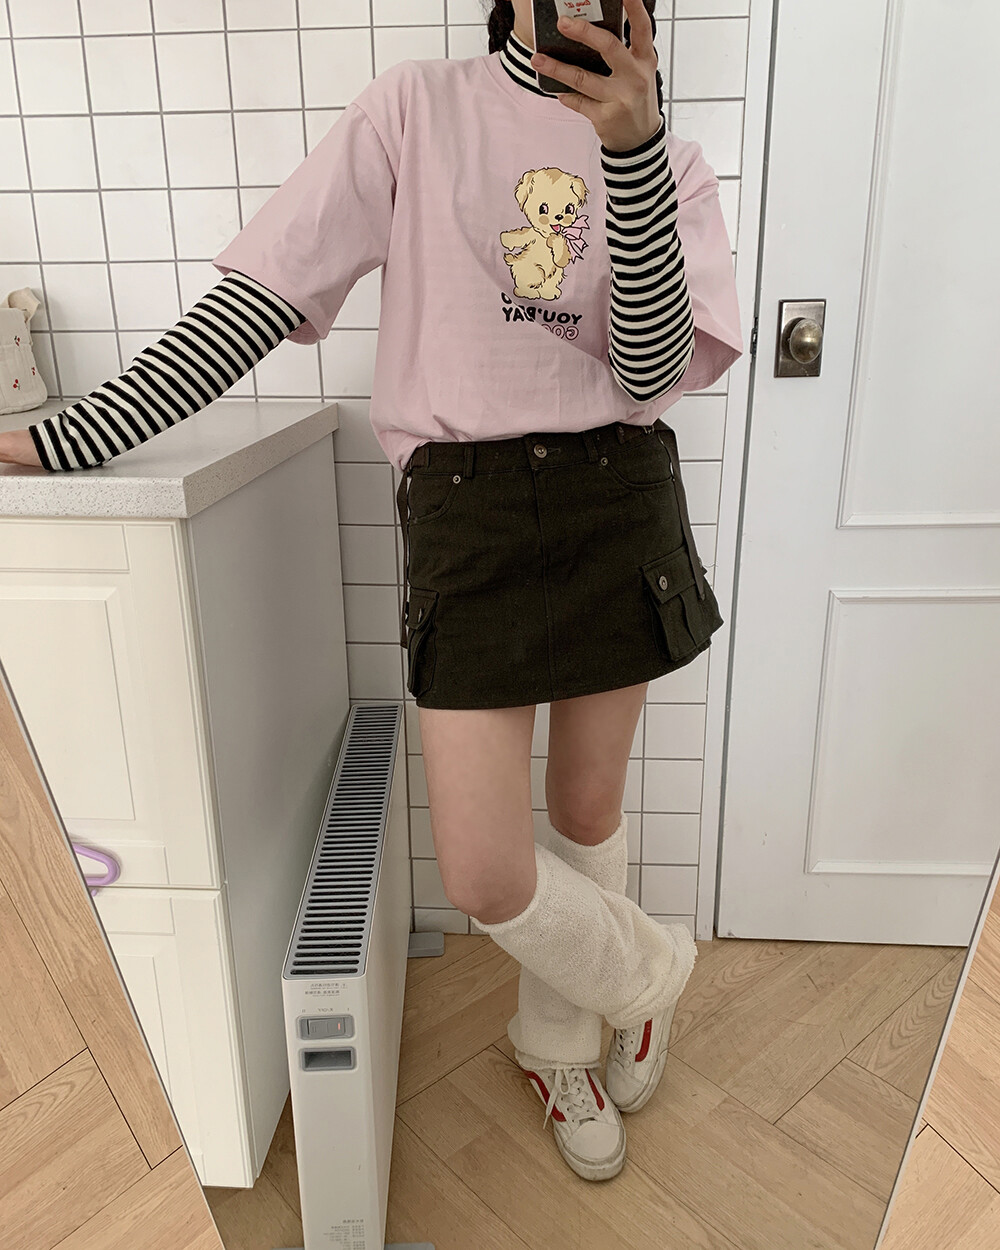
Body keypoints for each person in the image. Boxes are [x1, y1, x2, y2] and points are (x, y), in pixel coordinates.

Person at [0, 0, 742, 1182]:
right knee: (486, 870)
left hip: (617, 495)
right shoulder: (416, 109)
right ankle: (649, 978)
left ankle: (554, 1043)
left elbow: (650, 369)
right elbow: (258, 301)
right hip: (467, 507)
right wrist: (64, 436)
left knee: (588, 807)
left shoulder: (671, 159)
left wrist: (633, 153)